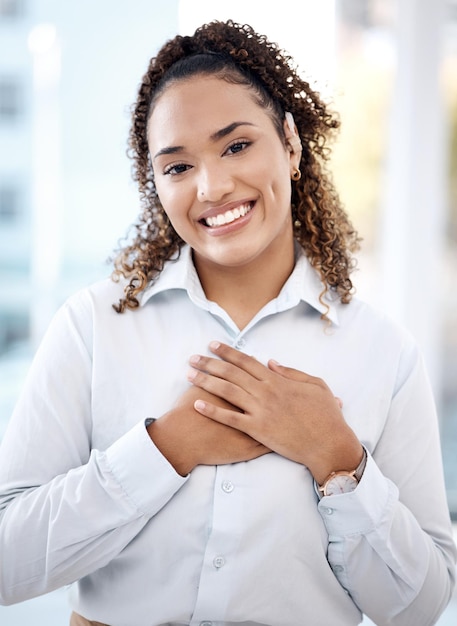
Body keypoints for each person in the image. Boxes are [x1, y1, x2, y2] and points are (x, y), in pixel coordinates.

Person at [0, 19, 455, 626]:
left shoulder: (383, 353)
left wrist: (337, 458)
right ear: (155, 185)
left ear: (290, 144)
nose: (212, 186)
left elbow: (422, 605)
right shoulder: (93, 326)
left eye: (237, 145)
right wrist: (167, 449)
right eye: (177, 167)